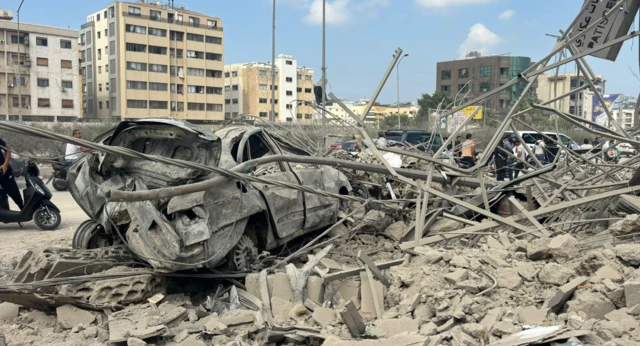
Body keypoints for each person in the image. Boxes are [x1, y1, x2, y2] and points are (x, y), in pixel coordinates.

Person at [0, 137, 24, 211]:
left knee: (14, 193)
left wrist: (5, 164)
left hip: (3, 171)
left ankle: (23, 210)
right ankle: (5, 213)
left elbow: (8, 149)